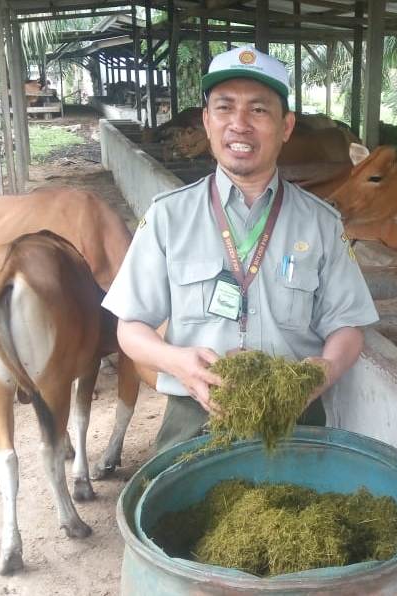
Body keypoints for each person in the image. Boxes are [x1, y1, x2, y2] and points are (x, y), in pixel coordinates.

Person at [102, 46, 379, 453]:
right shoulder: (168, 217)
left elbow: (348, 325)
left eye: (259, 110)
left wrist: (326, 369)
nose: (239, 124)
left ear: (286, 126)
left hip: (294, 416)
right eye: (225, 108)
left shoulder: (321, 223)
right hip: (195, 416)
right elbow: (130, 328)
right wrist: (177, 362)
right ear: (206, 121)